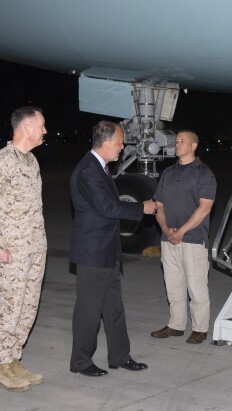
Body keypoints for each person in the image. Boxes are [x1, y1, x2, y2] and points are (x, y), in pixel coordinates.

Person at [69, 120, 158, 377]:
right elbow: (108, 208)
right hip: (93, 252)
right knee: (89, 310)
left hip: (107, 249)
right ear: (106, 143)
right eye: (119, 143)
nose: (122, 147)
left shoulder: (101, 168)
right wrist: (142, 207)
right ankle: (81, 361)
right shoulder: (88, 170)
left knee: (113, 307)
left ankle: (120, 356)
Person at [0, 106, 48, 392]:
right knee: (9, 308)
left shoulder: (31, 162)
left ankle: (15, 360)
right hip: (12, 252)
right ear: (27, 127)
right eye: (42, 125)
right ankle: (3, 366)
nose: (45, 130)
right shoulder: (0, 162)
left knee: (28, 307)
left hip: (34, 249)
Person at [150, 130, 217, 345]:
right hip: (168, 239)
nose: (177, 144)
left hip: (193, 240)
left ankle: (200, 328)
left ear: (194, 146)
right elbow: (158, 205)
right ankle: (176, 325)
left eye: (182, 141)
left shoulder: (204, 173)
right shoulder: (168, 173)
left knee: (196, 287)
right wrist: (166, 227)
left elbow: (205, 208)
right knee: (173, 285)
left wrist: (182, 231)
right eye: (176, 140)